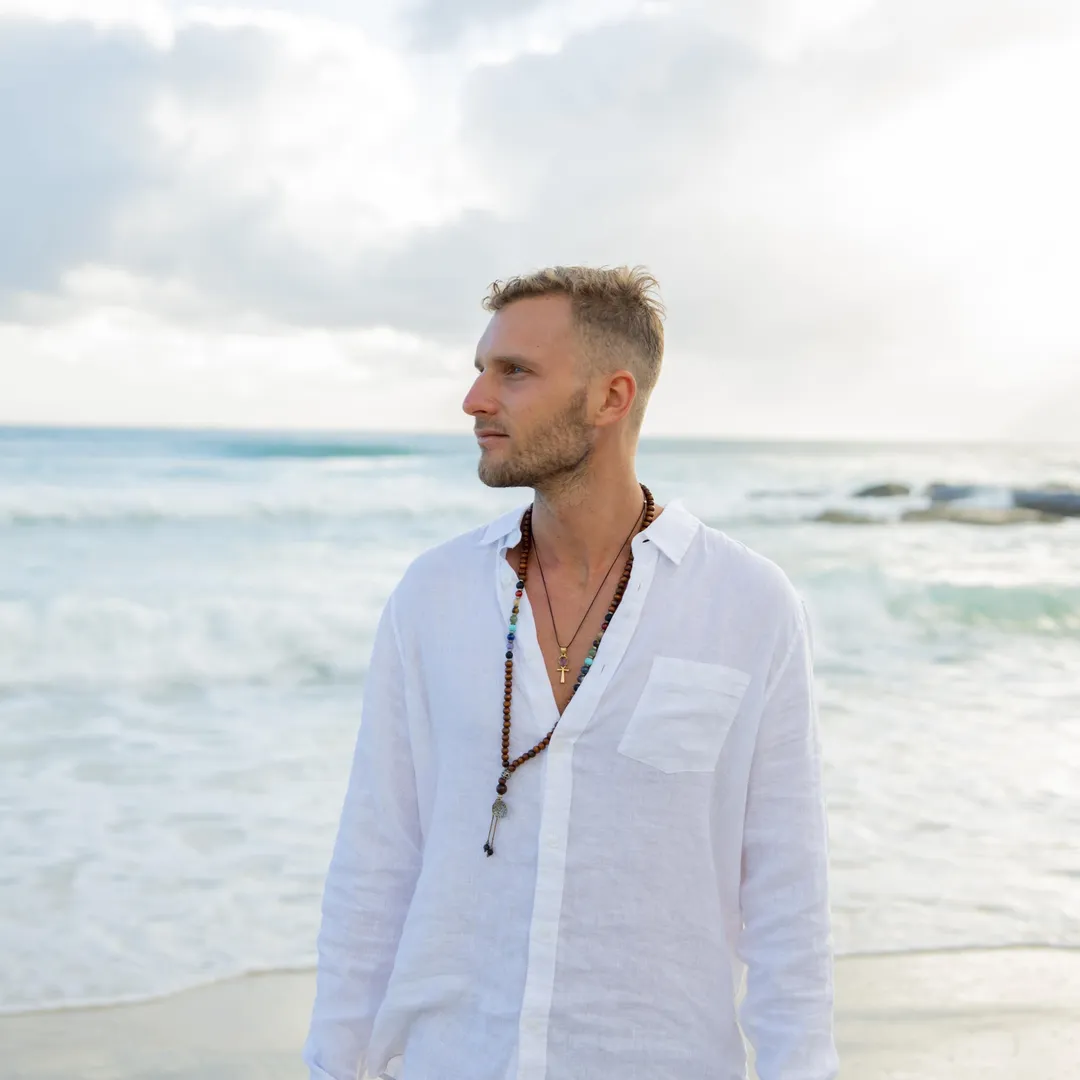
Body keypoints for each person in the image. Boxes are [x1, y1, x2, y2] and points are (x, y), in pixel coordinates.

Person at [303, 266, 839, 1080]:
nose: (475, 399)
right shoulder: (434, 594)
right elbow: (375, 863)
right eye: (482, 368)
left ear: (611, 396)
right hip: (455, 1059)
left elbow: (786, 892)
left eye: (513, 372)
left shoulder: (747, 604)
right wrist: (333, 1065)